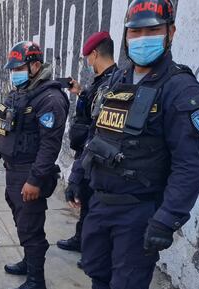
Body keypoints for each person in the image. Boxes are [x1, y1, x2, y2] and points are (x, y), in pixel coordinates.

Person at [56, 1, 199, 289]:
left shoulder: (179, 89)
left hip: (139, 208)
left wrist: (168, 218)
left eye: (152, 31)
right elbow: (96, 136)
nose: (142, 39)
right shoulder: (117, 79)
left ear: (170, 33)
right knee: (96, 265)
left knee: (130, 281)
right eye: (135, 32)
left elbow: (189, 165)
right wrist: (77, 178)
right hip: (101, 199)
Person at [0, 41, 69, 289]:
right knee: (22, 221)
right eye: (12, 69)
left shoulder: (50, 98)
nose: (15, 74)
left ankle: (36, 283)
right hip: (13, 171)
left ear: (35, 65)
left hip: (30, 173)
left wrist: (35, 180)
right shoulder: (19, 92)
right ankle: (28, 261)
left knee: (31, 227)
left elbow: (50, 145)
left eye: (19, 68)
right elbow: (5, 128)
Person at [57, 32, 117, 257]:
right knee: (85, 199)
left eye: (87, 58)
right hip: (86, 148)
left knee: (94, 204)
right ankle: (81, 239)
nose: (88, 63)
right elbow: (91, 107)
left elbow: (99, 124)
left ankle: (94, 251)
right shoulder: (101, 80)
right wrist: (81, 92)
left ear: (94, 54)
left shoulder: (115, 82)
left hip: (96, 151)